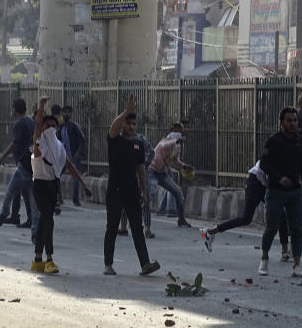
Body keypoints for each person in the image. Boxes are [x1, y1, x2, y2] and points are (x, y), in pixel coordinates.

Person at [29, 97, 90, 275]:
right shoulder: (39, 144)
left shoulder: (59, 147)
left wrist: (84, 184)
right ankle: (49, 259)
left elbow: (69, 166)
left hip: (52, 186)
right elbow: (38, 125)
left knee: (44, 220)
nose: (49, 129)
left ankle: (37, 260)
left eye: (52, 126)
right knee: (48, 220)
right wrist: (41, 107)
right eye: (46, 126)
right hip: (40, 185)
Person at [103, 95, 161, 276]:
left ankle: (145, 264)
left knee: (137, 227)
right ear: (122, 125)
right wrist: (126, 111)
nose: (131, 127)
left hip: (132, 192)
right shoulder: (114, 140)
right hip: (115, 190)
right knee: (112, 226)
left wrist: (144, 191)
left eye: (133, 124)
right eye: (128, 123)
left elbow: (141, 169)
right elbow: (113, 128)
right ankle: (108, 265)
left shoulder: (138, 145)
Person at [199, 159, 291, 261]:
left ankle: (285, 252)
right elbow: (268, 174)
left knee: (281, 214)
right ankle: (210, 232)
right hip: (255, 182)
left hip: (262, 184)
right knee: (246, 218)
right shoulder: (275, 152)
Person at [257, 107, 302, 277]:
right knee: (272, 226)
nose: (293, 123)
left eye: (295, 120)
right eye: (289, 120)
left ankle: (297, 264)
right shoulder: (274, 141)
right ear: (282, 122)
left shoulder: (301, 141)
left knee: (296, 228)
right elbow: (264, 163)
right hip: (276, 190)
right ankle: (264, 259)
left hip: (295, 191)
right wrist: (279, 178)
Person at [0, 98, 35, 228]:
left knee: (13, 190)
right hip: (31, 161)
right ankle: (20, 217)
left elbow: (14, 143)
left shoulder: (19, 124)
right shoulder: (31, 122)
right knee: (24, 191)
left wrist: (1, 158)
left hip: (23, 162)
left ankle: (7, 213)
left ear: (14, 110)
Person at [147, 125, 193, 228]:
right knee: (149, 193)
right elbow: (164, 146)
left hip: (163, 173)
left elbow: (174, 161)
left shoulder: (177, 146)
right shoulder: (165, 141)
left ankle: (181, 219)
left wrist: (184, 166)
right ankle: (134, 217)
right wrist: (176, 141)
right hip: (152, 171)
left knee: (177, 191)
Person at [59, 105, 87, 207]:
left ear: (71, 114)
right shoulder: (61, 127)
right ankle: (59, 199)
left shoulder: (74, 126)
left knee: (75, 178)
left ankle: (75, 200)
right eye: (64, 112)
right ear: (62, 113)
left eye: (68, 112)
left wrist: (78, 154)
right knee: (56, 176)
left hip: (74, 156)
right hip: (63, 157)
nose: (66, 114)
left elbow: (82, 141)